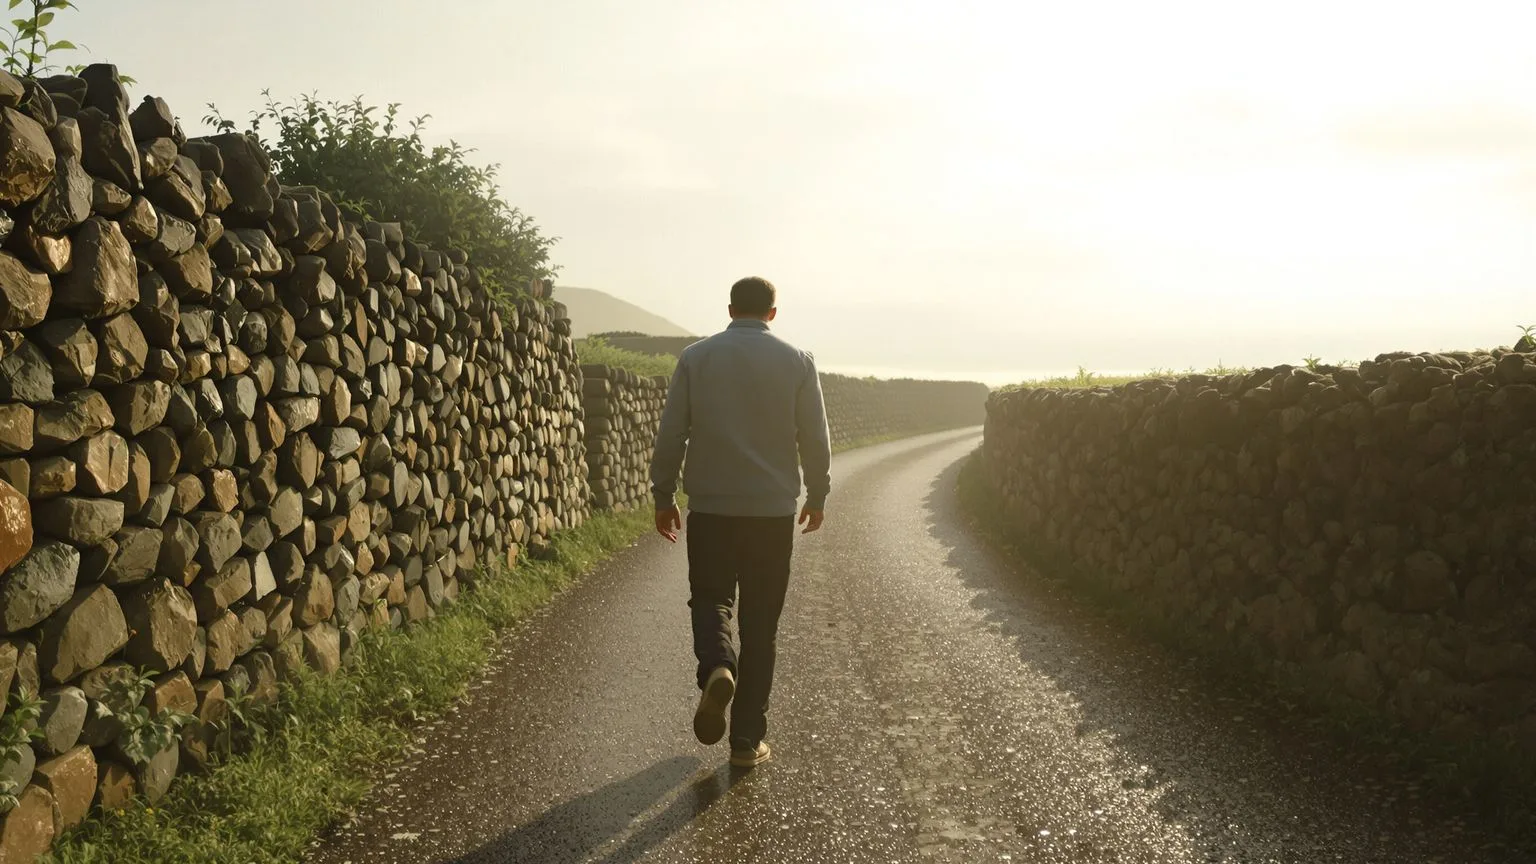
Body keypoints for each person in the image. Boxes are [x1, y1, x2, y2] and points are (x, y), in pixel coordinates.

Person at [649, 276, 831, 769]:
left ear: (730, 309)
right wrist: (818, 492)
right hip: (771, 513)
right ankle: (747, 743)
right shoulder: (798, 361)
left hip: (710, 507)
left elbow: (672, 433)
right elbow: (813, 435)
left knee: (710, 598)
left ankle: (716, 667)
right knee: (761, 625)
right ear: (773, 313)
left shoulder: (696, 357)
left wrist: (663, 494)